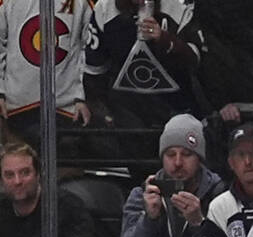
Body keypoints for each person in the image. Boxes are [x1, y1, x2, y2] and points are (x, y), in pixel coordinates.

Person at [84, 0, 207, 153]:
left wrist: (165, 40)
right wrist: (102, 111)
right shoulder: (104, 8)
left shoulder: (178, 6)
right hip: (126, 114)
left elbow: (195, 59)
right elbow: (95, 70)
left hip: (175, 110)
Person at [0, 0, 93, 149]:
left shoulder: (82, 3)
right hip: (16, 110)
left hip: (68, 110)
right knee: (18, 167)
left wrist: (83, 97)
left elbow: (90, 49)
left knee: (68, 170)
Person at [120, 113, 225, 237]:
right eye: (170, 155)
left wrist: (198, 224)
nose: (177, 163)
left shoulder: (219, 195)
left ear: (199, 158)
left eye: (187, 154)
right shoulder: (141, 195)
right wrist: (149, 219)